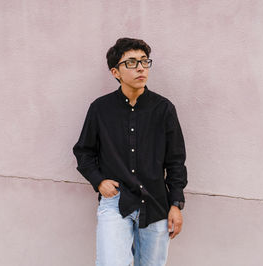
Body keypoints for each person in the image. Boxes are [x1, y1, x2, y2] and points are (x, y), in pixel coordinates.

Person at [73, 37, 188, 266]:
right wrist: (99, 181)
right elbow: (83, 151)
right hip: (116, 201)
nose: (140, 68)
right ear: (116, 72)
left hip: (156, 203)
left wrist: (176, 204)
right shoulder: (100, 109)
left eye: (144, 62)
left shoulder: (163, 109)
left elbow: (175, 161)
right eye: (132, 63)